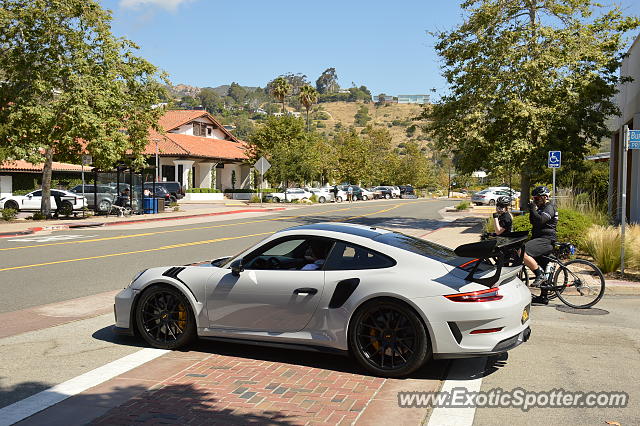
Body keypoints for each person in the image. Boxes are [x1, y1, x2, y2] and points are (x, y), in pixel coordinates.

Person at [523, 186, 558, 305]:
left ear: (545, 197)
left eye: (537, 198)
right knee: (542, 265)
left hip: (546, 240)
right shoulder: (541, 207)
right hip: (539, 239)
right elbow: (534, 221)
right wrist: (532, 210)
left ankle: (539, 274)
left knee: (522, 251)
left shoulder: (549, 207)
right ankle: (543, 297)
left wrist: (533, 209)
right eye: (534, 198)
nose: (535, 200)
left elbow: (540, 221)